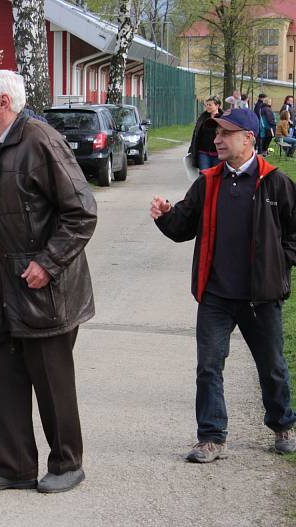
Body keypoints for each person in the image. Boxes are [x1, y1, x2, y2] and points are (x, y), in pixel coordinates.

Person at [0, 70, 97, 493]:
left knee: (51, 379)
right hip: (1, 286)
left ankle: (67, 464)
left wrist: (48, 262)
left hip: (44, 289)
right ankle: (13, 466)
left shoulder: (39, 139)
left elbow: (81, 211)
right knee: (1, 375)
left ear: (4, 103)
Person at [150, 108, 296, 463]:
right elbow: (183, 226)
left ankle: (282, 426)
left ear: (248, 138)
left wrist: (279, 262)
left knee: (272, 366)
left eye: (225, 134)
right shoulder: (208, 181)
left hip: (260, 297)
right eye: (216, 134)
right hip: (216, 294)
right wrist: (165, 215)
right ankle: (211, 438)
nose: (217, 140)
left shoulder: (275, 182)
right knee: (209, 367)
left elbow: (293, 234)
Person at [188, 96, 223, 170]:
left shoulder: (223, 119)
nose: (207, 107)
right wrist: (191, 149)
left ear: (217, 106)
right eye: (206, 105)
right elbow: (196, 134)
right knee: (203, 176)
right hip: (203, 152)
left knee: (217, 176)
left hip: (218, 153)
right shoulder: (202, 118)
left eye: (210, 105)